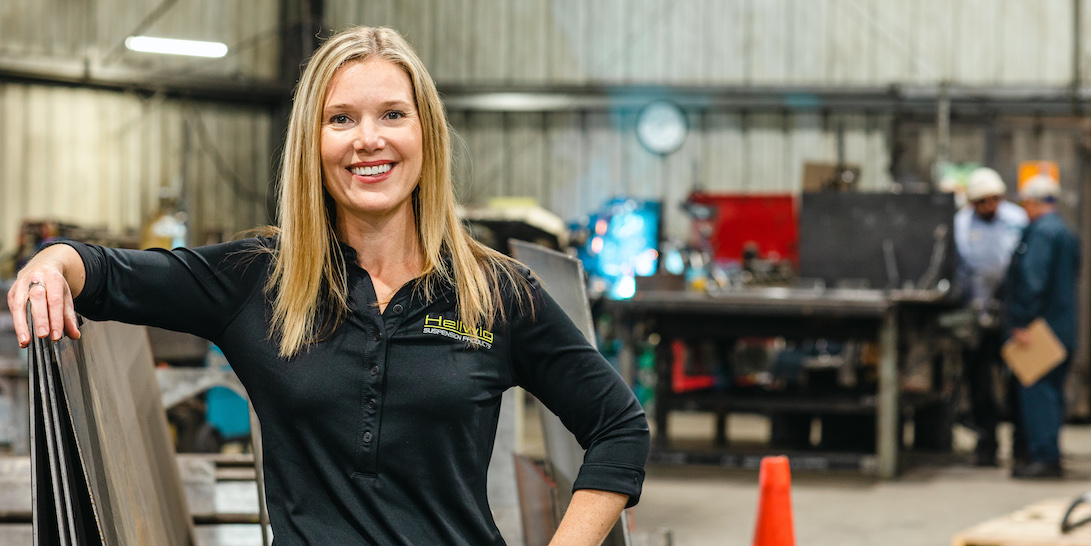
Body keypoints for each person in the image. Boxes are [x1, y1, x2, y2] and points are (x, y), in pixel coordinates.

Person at [6, 26, 650, 545]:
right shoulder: (259, 279)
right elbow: (110, 274)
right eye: (341, 118)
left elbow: (619, 426)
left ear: (424, 133)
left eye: (391, 114)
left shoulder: (497, 293)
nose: (368, 140)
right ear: (312, 142)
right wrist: (52, 261)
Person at [1004, 174, 1080, 479]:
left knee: (1038, 392)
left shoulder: (1041, 234)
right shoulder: (1066, 233)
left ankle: (1045, 457)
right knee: (1052, 394)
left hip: (1040, 330)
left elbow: (1033, 281)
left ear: (1034, 202)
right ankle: (1048, 452)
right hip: (1063, 326)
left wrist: (1021, 320)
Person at [953, 167, 1028, 467]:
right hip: (977, 315)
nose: (990, 207)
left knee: (1018, 380)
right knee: (979, 382)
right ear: (973, 202)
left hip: (1012, 316)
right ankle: (987, 443)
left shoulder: (1016, 220)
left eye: (994, 200)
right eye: (983, 202)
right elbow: (959, 269)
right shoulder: (961, 225)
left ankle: (1021, 445)